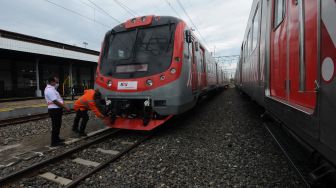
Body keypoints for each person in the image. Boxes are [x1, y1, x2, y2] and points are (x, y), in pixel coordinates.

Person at [44, 76, 70, 147]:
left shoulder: (53, 89)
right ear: (52, 82)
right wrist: (65, 107)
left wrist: (64, 104)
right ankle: (54, 142)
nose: (57, 83)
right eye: (56, 82)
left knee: (58, 125)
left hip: (57, 109)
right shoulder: (49, 90)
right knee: (55, 126)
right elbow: (55, 101)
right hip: (54, 110)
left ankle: (57, 139)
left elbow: (59, 99)